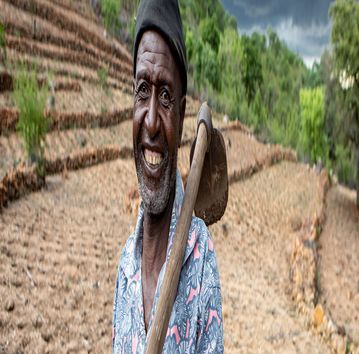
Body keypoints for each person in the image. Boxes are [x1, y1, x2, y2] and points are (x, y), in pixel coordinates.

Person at [112, 0, 224, 352]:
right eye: (142, 90)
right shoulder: (125, 268)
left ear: (182, 111)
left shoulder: (200, 258)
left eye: (165, 96)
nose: (150, 121)